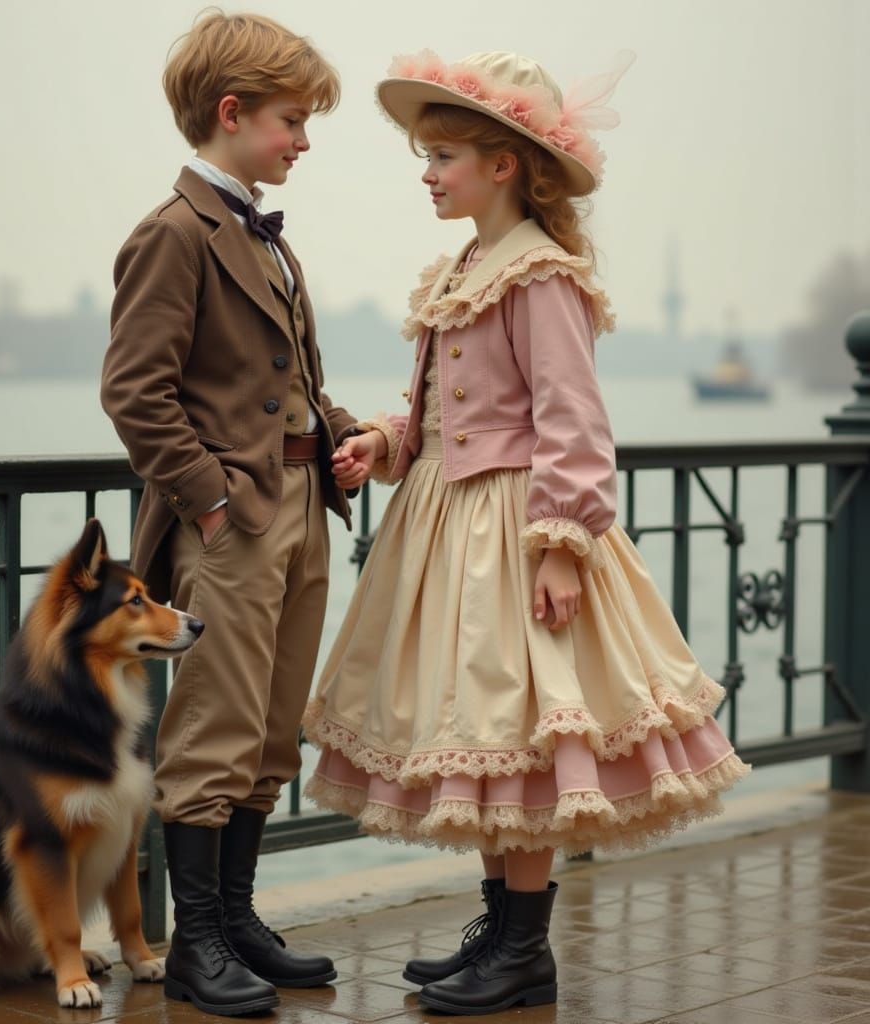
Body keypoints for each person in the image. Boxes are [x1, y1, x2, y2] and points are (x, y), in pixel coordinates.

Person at [304, 50, 750, 1017]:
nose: (428, 175)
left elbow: (572, 420)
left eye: (444, 157)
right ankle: (504, 939)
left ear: (503, 165)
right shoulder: (464, 267)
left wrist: (558, 545)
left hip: (513, 528)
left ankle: (522, 949)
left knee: (523, 732)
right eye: (426, 158)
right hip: (449, 524)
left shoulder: (540, 273)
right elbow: (445, 410)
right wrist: (384, 442)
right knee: (487, 738)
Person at [100, 11, 364, 1017]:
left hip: (301, 503)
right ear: (232, 112)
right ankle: (197, 941)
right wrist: (209, 504)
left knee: (271, 727)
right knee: (214, 727)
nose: (304, 141)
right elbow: (136, 393)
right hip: (234, 521)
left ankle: (239, 920)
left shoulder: (259, 232)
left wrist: (342, 435)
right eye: (293, 121)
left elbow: (286, 383)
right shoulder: (174, 232)